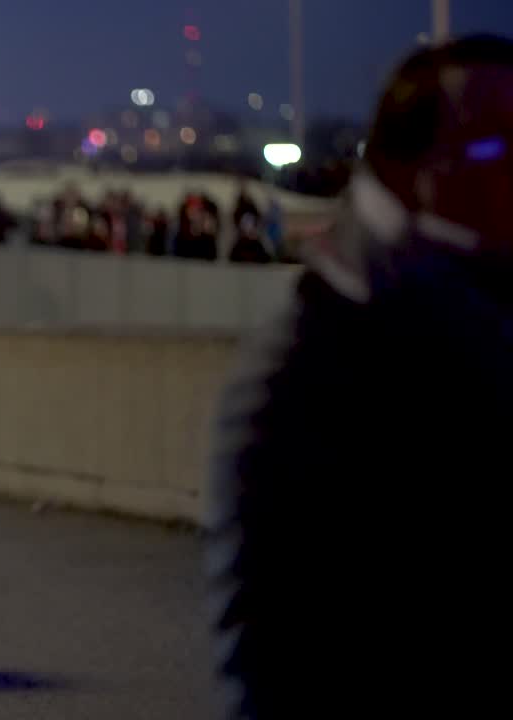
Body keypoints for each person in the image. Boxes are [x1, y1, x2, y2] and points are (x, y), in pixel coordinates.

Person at [206, 35, 513, 719]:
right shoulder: (312, 369)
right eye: (495, 148)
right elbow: (274, 663)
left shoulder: (480, 312)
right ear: (404, 170)